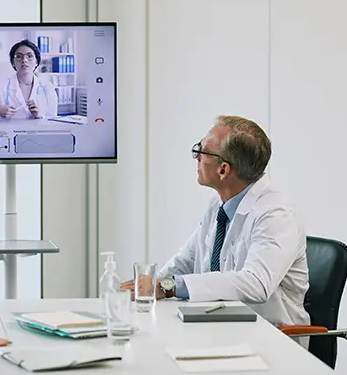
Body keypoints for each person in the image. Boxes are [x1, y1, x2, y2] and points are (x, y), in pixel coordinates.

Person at [122, 115, 309, 329]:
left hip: (272, 338)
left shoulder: (276, 213)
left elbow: (256, 283)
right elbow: (187, 260)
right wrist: (145, 288)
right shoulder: (219, 205)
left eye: (200, 151)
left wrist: (169, 287)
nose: (196, 158)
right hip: (221, 326)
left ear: (223, 169)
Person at [0, 39, 58, 122]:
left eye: (29, 56)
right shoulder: (0, 87)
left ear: (36, 62)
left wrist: (39, 115)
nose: (24, 60)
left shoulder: (47, 88)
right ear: (13, 62)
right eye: (19, 56)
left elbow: (55, 121)